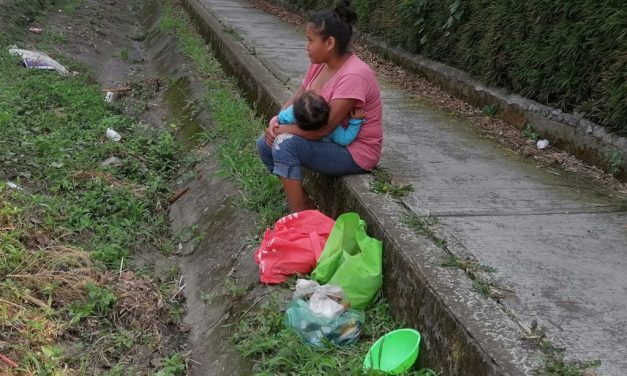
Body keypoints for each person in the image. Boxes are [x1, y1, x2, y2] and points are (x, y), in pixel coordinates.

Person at [256, 0, 383, 213]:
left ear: (330, 43)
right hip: (328, 141)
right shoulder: (319, 66)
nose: (306, 47)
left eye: (310, 40)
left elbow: (324, 128)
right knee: (264, 144)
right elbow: (296, 100)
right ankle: (305, 206)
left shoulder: (354, 75)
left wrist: (283, 130)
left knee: (285, 144)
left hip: (353, 151)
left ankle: (299, 219)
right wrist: (275, 121)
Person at [277, 90, 366, 146]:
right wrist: (356, 121)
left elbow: (280, 118)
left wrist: (280, 126)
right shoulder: (332, 127)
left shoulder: (290, 115)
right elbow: (345, 140)